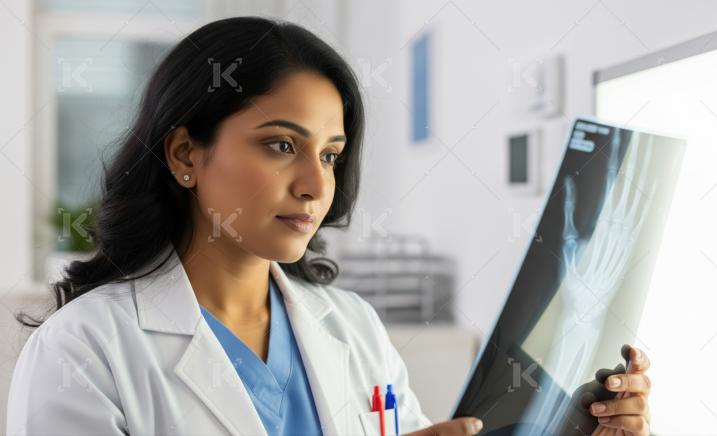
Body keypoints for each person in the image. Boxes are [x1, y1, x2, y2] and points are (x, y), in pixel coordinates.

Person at [7, 16, 651, 435]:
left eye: (330, 155)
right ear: (184, 155)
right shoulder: (84, 350)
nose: (316, 186)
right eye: (281, 145)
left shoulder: (352, 326)